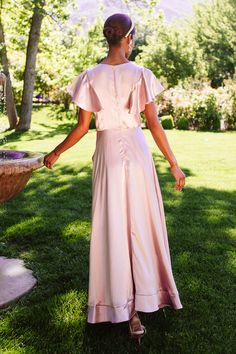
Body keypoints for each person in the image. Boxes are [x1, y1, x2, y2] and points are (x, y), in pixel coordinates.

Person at [44, 13, 186, 345]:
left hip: (107, 155)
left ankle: (125, 308)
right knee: (139, 225)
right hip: (136, 154)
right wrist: (174, 165)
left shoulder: (89, 76)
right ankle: (140, 304)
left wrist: (56, 152)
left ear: (109, 38)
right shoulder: (141, 75)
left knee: (114, 227)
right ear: (129, 39)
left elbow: (82, 127)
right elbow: (153, 123)